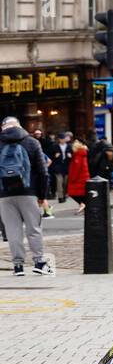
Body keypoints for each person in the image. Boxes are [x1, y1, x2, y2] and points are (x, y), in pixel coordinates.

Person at [0, 116, 52, 276]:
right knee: (34, 228)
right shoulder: (32, 142)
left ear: (3, 128)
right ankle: (39, 262)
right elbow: (43, 172)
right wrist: (42, 196)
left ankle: (18, 267)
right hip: (29, 192)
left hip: (4, 194)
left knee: (13, 231)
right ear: (20, 126)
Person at [47, 131, 72, 203]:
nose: (62, 140)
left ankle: (64, 195)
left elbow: (73, 156)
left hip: (67, 166)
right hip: (58, 167)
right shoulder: (54, 146)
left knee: (65, 183)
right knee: (59, 182)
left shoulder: (69, 146)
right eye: (61, 139)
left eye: (63, 138)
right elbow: (50, 156)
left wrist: (70, 156)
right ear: (59, 139)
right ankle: (60, 197)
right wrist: (54, 156)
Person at [67, 140, 91, 214]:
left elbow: (76, 168)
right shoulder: (82, 154)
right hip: (83, 177)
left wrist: (72, 178)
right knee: (82, 194)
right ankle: (84, 206)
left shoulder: (78, 155)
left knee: (72, 193)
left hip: (79, 178)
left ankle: (82, 204)